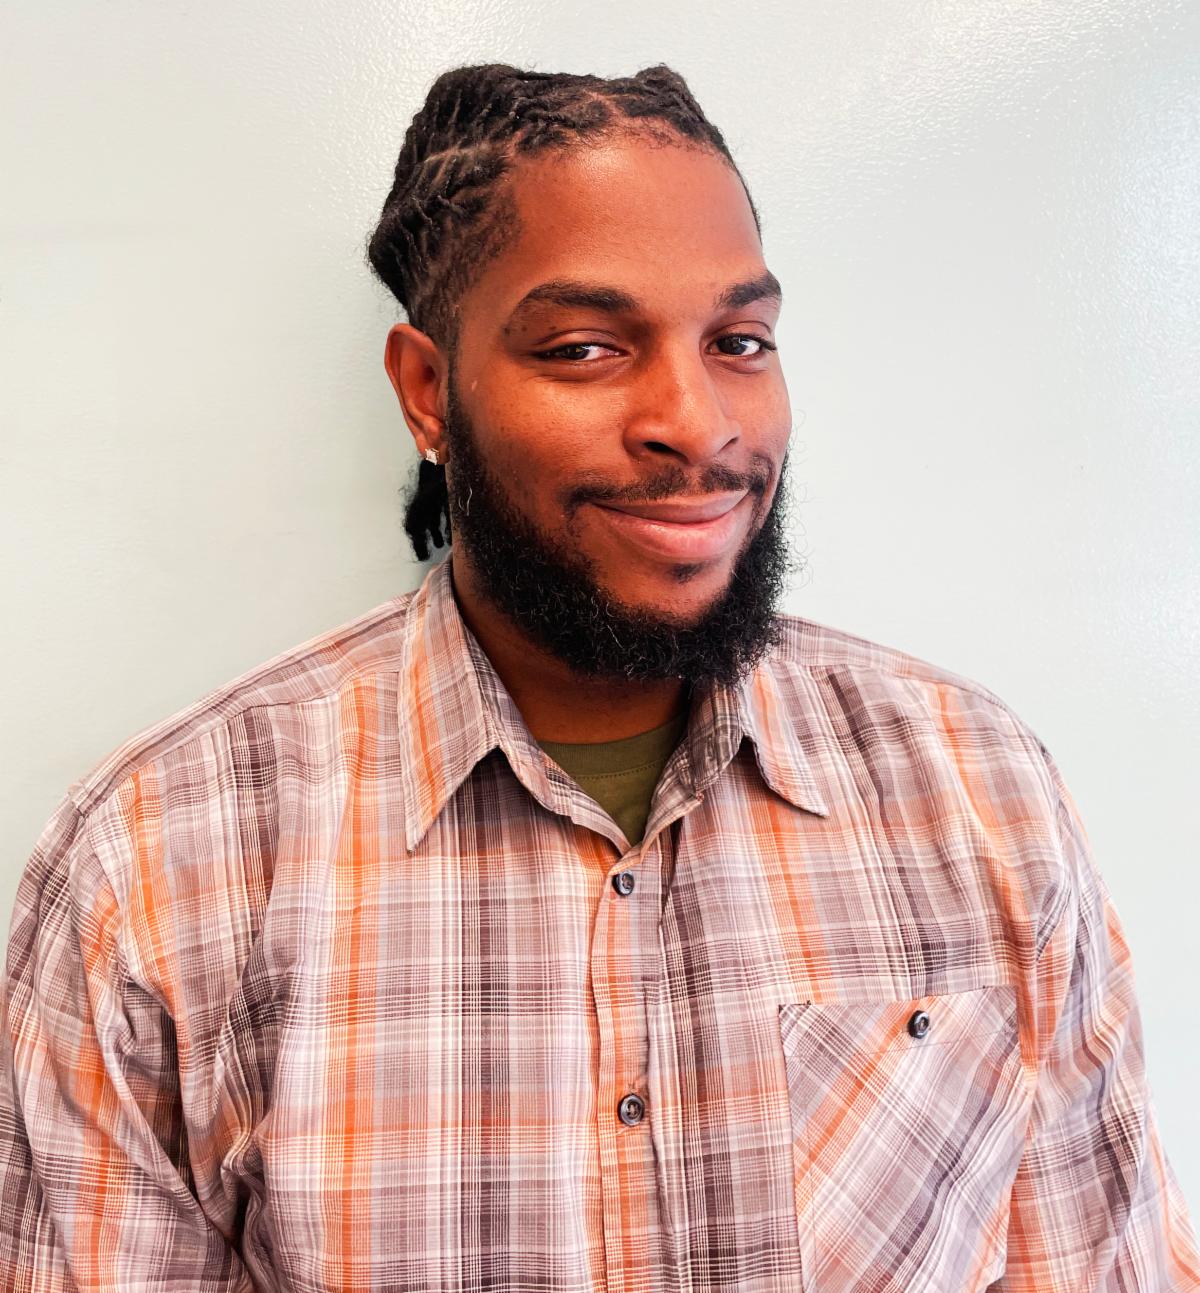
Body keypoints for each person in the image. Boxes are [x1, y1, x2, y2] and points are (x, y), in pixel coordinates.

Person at [1, 61, 1196, 1293]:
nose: (697, 419)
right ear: (427, 391)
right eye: (585, 348)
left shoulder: (978, 791)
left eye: (740, 341)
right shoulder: (157, 867)